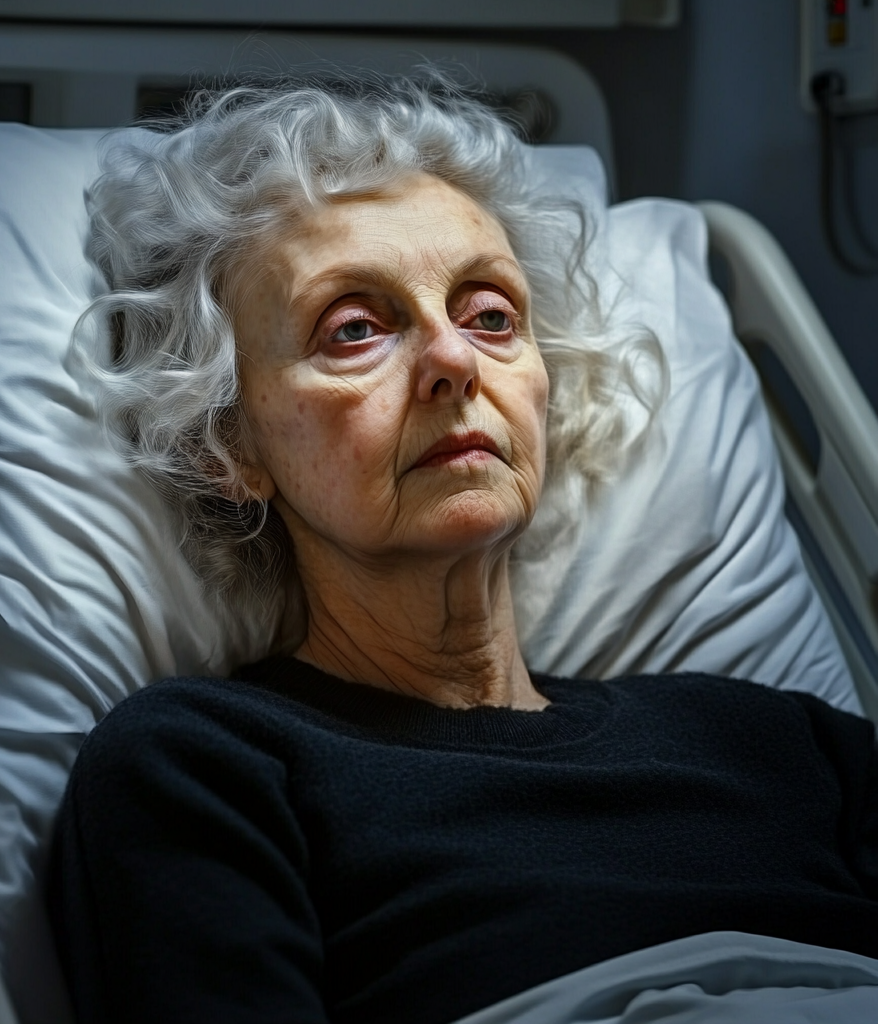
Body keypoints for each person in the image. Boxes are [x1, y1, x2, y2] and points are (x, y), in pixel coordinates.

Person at [48, 75, 878, 1024]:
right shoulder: (208, 767)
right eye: (354, 329)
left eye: (490, 315)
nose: (454, 362)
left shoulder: (789, 746)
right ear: (228, 447)